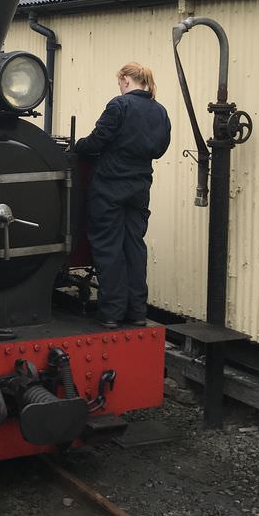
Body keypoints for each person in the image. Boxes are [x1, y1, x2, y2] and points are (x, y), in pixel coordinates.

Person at [74, 63, 172, 329]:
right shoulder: (160, 111)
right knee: (134, 247)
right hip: (140, 187)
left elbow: (97, 140)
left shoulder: (119, 105)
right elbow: (160, 148)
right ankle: (137, 312)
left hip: (110, 186)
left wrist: (78, 146)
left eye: (120, 82)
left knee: (109, 246)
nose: (119, 87)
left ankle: (111, 313)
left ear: (126, 80)